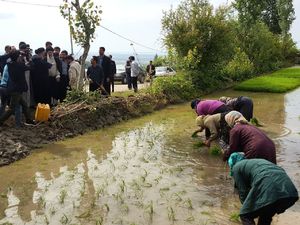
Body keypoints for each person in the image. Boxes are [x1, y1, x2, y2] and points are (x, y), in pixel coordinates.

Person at [228, 152, 298, 225]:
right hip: (290, 191)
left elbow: (243, 191)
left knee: (245, 215)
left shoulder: (236, 167)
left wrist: (247, 208)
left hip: (269, 186)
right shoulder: (256, 162)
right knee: (265, 215)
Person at [0, 51, 34, 126]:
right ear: (18, 57)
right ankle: (1, 121)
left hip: (11, 88)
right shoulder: (20, 65)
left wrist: (16, 52)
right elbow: (31, 67)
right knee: (12, 108)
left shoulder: (9, 64)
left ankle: (29, 119)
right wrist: (28, 59)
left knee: (24, 104)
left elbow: (6, 57)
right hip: (17, 90)